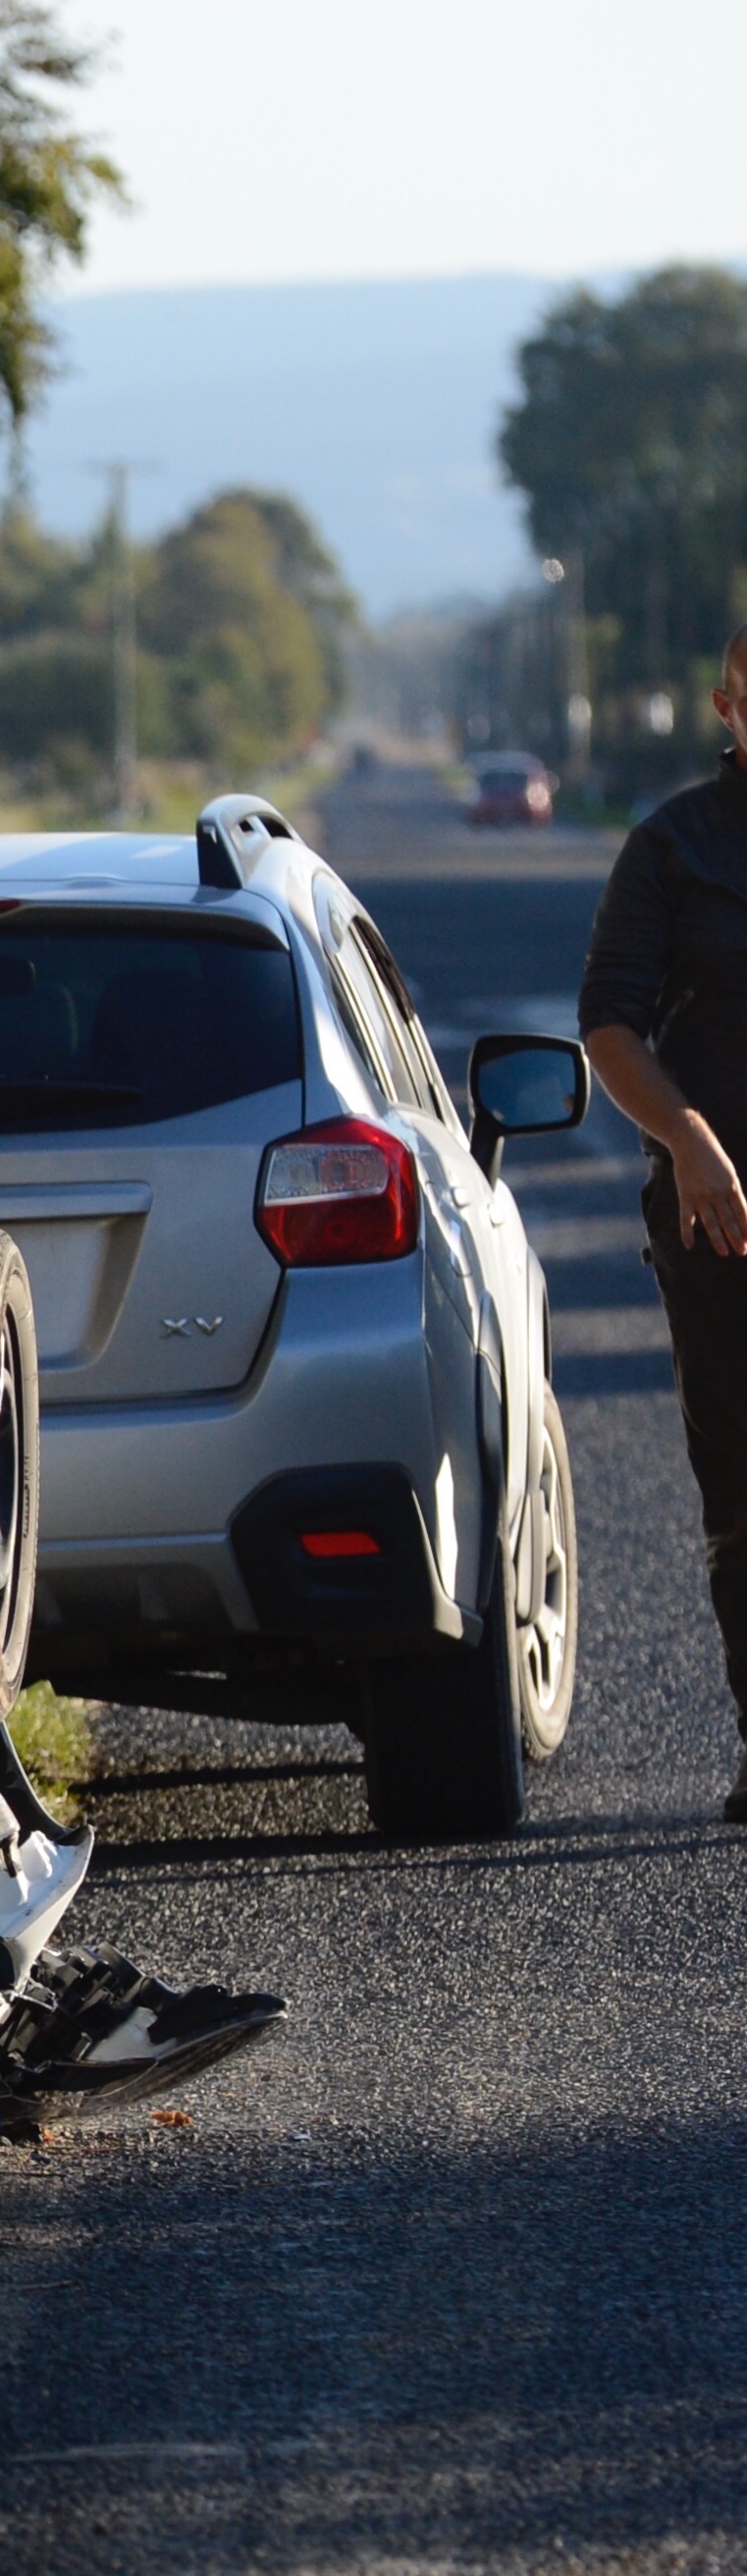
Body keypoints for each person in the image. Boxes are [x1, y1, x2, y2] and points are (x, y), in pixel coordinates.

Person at [579, 625, 747, 1818]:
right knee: (741, 1487)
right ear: (728, 705)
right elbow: (610, 1028)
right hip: (719, 1223)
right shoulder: (673, 846)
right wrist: (688, 1144)